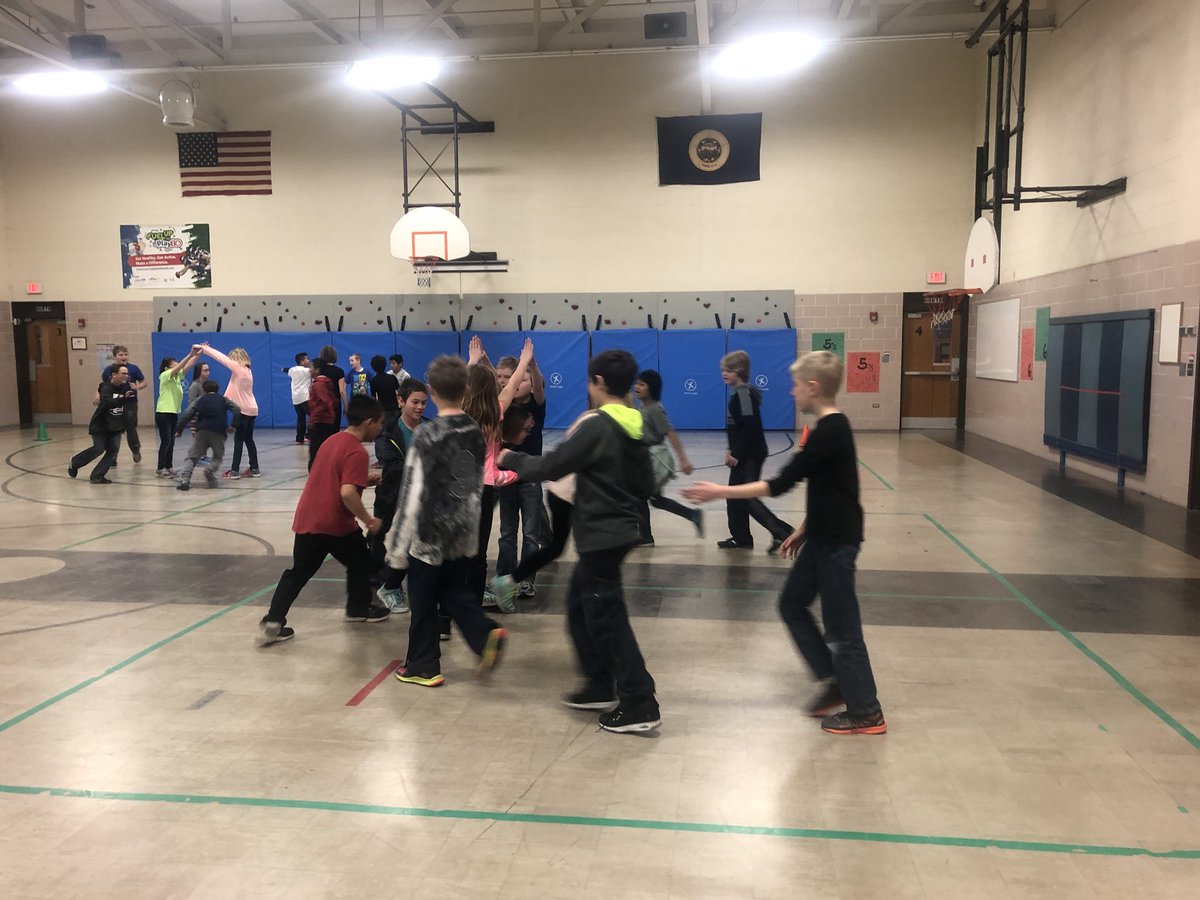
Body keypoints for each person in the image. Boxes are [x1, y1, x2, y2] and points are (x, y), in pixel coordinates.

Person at [683, 351, 886, 736]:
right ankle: (834, 678)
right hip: (821, 537)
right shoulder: (829, 431)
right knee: (791, 604)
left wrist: (720, 492)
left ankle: (867, 711)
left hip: (837, 543)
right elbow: (834, 489)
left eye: (796, 386)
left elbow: (780, 485)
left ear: (813, 388)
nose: (792, 393)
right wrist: (804, 529)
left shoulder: (831, 430)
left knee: (843, 629)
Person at [499, 350, 661, 734]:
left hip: (602, 535)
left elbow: (551, 466)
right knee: (577, 607)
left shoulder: (598, 425)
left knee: (608, 618)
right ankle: (599, 684)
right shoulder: (635, 423)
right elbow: (647, 485)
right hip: (619, 532)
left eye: (589, 381)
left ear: (598, 383)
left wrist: (511, 458)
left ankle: (640, 702)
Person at [385, 356, 508, 686]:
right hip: (461, 532)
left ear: (432, 392)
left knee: (423, 601)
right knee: (455, 592)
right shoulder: (473, 431)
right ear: (464, 389)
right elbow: (471, 486)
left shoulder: (427, 435)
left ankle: (424, 665)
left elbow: (412, 494)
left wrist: (397, 551)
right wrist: (470, 532)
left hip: (428, 537)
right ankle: (484, 635)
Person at [258, 395, 392, 646]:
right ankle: (358, 609)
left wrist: (364, 478)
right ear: (369, 422)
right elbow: (347, 492)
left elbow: (335, 476)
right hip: (335, 523)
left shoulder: (332, 440)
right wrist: (369, 519)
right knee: (361, 560)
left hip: (308, 518)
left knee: (299, 572)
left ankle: (273, 621)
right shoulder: (358, 452)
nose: (381, 428)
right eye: (380, 423)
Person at [491, 407, 595, 612]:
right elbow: (553, 464)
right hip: (564, 493)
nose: (526, 433)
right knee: (535, 539)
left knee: (552, 545)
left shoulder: (594, 421)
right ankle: (508, 581)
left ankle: (513, 580)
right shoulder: (592, 421)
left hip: (564, 491)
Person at [464, 336, 534, 606]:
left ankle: (452, 600)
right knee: (479, 549)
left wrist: (473, 360)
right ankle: (473, 597)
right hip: (484, 488)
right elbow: (513, 384)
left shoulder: (458, 411)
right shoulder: (496, 412)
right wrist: (525, 360)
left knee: (459, 546)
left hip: (459, 487)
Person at [717, 350, 793, 554]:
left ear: (739, 372)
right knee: (733, 496)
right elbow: (739, 427)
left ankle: (781, 532)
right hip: (744, 454)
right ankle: (741, 538)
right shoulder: (740, 393)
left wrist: (737, 453)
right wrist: (730, 449)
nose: (724, 373)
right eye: (723, 369)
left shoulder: (743, 394)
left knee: (747, 497)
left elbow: (750, 427)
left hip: (750, 456)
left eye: (728, 370)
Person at [372, 377, 430, 610]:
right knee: (378, 535)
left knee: (413, 540)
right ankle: (378, 579)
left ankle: (393, 585)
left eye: (423, 403)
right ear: (401, 401)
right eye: (414, 402)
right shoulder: (389, 430)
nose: (419, 407)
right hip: (391, 494)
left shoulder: (430, 427)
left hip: (420, 498)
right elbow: (391, 465)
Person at [495, 352, 547, 599]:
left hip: (530, 478)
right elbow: (498, 383)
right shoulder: (504, 405)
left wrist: (531, 365)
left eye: (514, 378)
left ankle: (527, 578)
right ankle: (504, 576)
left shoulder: (535, 407)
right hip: (505, 477)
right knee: (507, 532)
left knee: (530, 534)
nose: (509, 382)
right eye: (502, 378)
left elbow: (538, 386)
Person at [633, 369, 703, 543]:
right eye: (637, 383)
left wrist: (683, 459)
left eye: (642, 384)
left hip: (656, 458)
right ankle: (693, 515)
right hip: (648, 456)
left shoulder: (655, 408)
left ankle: (645, 537)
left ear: (652, 388)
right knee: (655, 499)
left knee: (639, 496)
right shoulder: (644, 406)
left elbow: (670, 432)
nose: (637, 387)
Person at [197, 343, 260, 479]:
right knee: (249, 440)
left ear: (236, 359)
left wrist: (206, 349)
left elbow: (221, 358)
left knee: (239, 440)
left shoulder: (238, 368)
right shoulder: (248, 372)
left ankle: (234, 470)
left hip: (243, 410)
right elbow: (232, 388)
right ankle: (255, 468)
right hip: (252, 409)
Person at [69, 364, 132, 484]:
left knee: (113, 451)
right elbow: (107, 402)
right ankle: (75, 462)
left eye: (127, 373)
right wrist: (123, 398)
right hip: (101, 425)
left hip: (116, 427)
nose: (126, 376)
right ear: (114, 375)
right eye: (123, 373)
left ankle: (97, 475)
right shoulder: (106, 387)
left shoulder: (125, 388)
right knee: (98, 448)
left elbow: (128, 403)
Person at [174, 380, 239, 491]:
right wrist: (233, 426)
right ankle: (209, 469)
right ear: (217, 390)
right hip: (218, 431)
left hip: (202, 431)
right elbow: (237, 409)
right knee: (217, 457)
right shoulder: (223, 399)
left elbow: (187, 414)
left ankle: (185, 479)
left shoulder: (200, 400)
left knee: (192, 456)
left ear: (204, 390)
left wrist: (179, 430)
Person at [154, 347, 202, 478]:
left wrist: (198, 355)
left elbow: (188, 365)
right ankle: (160, 468)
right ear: (167, 368)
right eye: (174, 363)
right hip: (163, 412)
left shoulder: (177, 378)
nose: (177, 364)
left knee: (172, 441)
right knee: (166, 441)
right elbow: (181, 366)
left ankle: (168, 467)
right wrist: (190, 353)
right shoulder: (164, 376)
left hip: (173, 413)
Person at [99, 346, 147, 465]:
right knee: (114, 428)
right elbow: (103, 384)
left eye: (125, 354)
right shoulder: (109, 369)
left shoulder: (133, 369)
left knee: (130, 426)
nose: (124, 357)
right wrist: (98, 395)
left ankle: (135, 449)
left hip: (130, 402)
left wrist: (137, 387)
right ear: (115, 357)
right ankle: (112, 456)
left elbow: (144, 382)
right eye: (120, 355)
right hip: (114, 402)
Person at [307, 357, 339, 471]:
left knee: (315, 450)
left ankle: (315, 474)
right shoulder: (326, 383)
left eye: (311, 367)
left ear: (317, 370)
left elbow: (325, 402)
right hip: (327, 420)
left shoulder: (318, 385)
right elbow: (334, 400)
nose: (309, 369)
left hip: (321, 421)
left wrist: (313, 418)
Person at [284, 352, 312, 444]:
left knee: (300, 418)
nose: (308, 360)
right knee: (313, 416)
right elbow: (315, 372)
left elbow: (285, 370)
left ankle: (299, 439)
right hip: (305, 397)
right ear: (302, 361)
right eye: (307, 359)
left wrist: (283, 369)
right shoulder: (307, 371)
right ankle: (310, 435)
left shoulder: (292, 370)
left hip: (296, 399)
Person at [370, 354, 400, 431]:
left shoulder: (374, 381)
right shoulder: (392, 378)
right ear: (385, 364)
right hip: (394, 408)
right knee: (395, 430)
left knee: (384, 431)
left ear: (373, 367)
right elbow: (399, 391)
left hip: (382, 409)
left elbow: (373, 397)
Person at [320, 345, 346, 426]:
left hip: (322, 403)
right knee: (335, 428)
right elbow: (342, 391)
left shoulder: (319, 370)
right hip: (335, 403)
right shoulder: (339, 371)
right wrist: (346, 405)